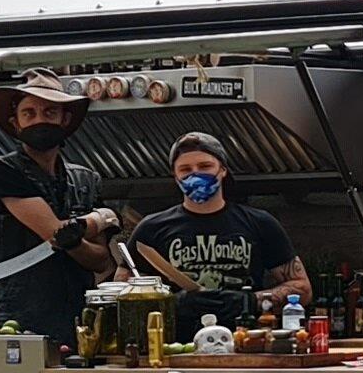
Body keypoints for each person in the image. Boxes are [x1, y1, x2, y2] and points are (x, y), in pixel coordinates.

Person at [0, 76, 124, 346]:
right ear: (15, 123)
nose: (39, 120)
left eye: (49, 112)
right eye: (29, 113)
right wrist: (98, 219)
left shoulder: (87, 179)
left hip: (79, 318)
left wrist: (75, 240)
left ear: (64, 120)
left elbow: (101, 261)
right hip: (16, 320)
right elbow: (53, 231)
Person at [130, 132, 308, 310]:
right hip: (173, 336)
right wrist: (172, 303)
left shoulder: (260, 223)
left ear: (223, 170)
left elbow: (303, 289)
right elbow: (122, 292)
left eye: (205, 166)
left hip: (244, 334)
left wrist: (251, 301)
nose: (195, 175)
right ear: (175, 176)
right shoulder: (151, 228)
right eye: (185, 169)